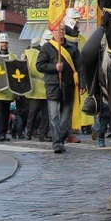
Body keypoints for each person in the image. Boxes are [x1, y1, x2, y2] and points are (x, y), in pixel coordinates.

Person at [36, 24, 86, 153]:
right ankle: (56, 142)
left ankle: (61, 138)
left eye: (63, 30)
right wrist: (54, 67)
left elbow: (80, 67)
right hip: (53, 85)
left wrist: (82, 84)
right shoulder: (47, 48)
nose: (61, 32)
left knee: (65, 118)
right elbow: (40, 65)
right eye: (59, 30)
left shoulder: (73, 48)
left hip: (68, 85)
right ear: (54, 32)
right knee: (54, 116)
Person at [23, 35, 49, 141]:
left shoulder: (49, 51)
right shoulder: (28, 53)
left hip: (46, 85)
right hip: (34, 86)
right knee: (34, 111)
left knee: (45, 112)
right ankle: (28, 131)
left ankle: (42, 133)